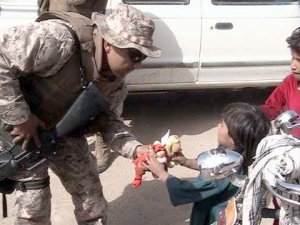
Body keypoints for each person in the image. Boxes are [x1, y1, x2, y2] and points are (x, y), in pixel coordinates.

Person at [0, 3, 161, 225]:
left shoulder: (114, 83)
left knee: (91, 199)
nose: (137, 65)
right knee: (33, 208)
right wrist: (21, 117)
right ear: (109, 43)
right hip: (18, 131)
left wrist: (137, 150)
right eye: (133, 54)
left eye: (142, 58)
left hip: (60, 131)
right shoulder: (58, 39)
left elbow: (110, 123)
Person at [142, 102, 271, 225]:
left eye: (222, 125)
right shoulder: (236, 154)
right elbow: (209, 165)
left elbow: (190, 190)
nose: (217, 126)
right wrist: (186, 162)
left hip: (216, 218)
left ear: (234, 139)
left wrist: (161, 173)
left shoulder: (225, 172)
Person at [260, 26, 300, 139]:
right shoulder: (290, 82)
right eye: (293, 58)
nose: (293, 65)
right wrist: (250, 114)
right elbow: (271, 108)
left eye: (299, 60)